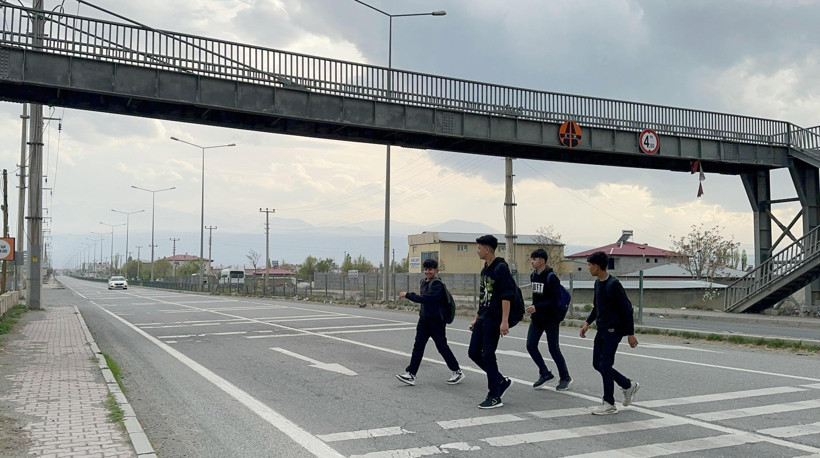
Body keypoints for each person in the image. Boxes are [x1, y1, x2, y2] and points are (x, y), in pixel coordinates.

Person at [580, 251, 640, 415]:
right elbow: (597, 307)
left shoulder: (613, 284)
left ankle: (609, 403)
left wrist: (630, 333)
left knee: (605, 365)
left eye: (590, 265)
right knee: (597, 364)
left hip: (614, 331)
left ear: (597, 266)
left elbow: (627, 309)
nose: (588, 268)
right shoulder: (598, 284)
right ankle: (627, 385)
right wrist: (587, 323)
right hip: (602, 329)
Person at [396, 258, 464, 386]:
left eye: (430, 269)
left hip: (436, 322)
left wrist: (408, 295)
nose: (427, 272)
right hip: (424, 321)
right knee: (418, 347)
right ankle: (411, 374)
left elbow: (426, 299)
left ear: (436, 270)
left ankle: (457, 371)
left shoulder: (437, 285)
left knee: (442, 347)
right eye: (426, 269)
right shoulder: (424, 282)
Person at [469, 234, 515, 409]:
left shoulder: (501, 268)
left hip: (495, 319)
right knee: (473, 352)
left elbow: (506, 296)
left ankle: (494, 395)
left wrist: (504, 321)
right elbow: (483, 297)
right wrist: (476, 317)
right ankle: (500, 381)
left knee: (488, 354)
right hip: (483, 317)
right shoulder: (484, 270)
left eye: (479, 248)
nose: (477, 251)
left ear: (487, 249)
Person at [526, 248, 572, 391]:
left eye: (534, 259)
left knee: (553, 349)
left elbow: (554, 300)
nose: (532, 262)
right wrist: (534, 309)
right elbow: (536, 296)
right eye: (532, 259)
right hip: (537, 318)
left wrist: (537, 307)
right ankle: (545, 373)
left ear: (542, 261)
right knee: (531, 345)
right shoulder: (533, 275)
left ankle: (565, 377)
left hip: (551, 318)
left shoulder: (551, 277)